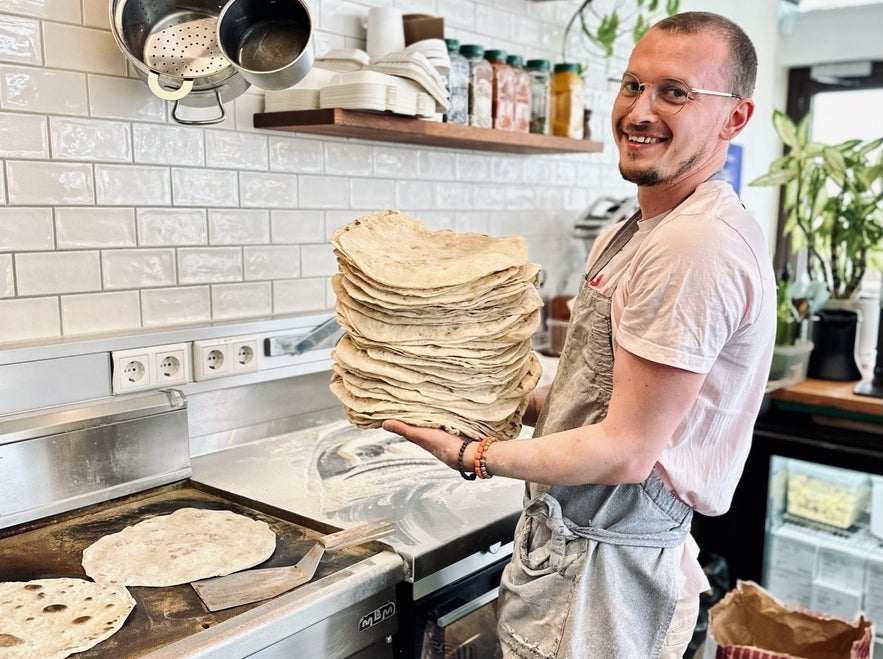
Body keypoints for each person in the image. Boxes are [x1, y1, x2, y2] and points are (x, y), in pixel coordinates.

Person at [383, 11, 775, 659]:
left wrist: (471, 452)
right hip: (575, 555)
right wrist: (472, 392)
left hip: (605, 584)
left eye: (674, 92)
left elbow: (624, 449)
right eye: (630, 85)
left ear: (733, 118)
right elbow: (605, 395)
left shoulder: (692, 244)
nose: (639, 111)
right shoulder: (638, 229)